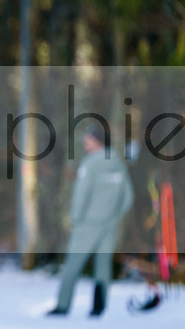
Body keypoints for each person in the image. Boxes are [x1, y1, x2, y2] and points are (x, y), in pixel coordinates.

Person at [48, 123, 135, 317]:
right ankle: (99, 307)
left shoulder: (90, 164)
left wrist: (75, 218)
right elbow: (128, 196)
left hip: (87, 224)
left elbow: (81, 194)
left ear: (97, 141)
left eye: (88, 139)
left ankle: (63, 305)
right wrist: (114, 215)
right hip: (110, 224)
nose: (85, 143)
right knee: (103, 265)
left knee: (73, 265)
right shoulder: (117, 163)